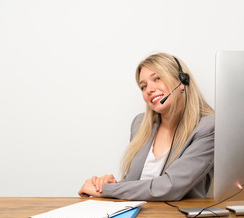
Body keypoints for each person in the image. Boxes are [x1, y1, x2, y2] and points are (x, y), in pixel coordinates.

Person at [78, 52, 214, 201]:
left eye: (157, 78)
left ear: (182, 81)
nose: (149, 89)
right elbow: (137, 183)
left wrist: (109, 190)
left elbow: (170, 187)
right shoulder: (139, 124)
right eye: (143, 86)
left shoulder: (208, 127)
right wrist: (110, 184)